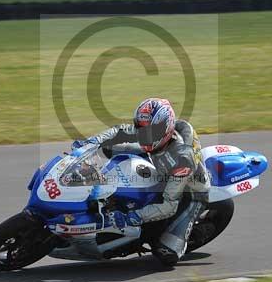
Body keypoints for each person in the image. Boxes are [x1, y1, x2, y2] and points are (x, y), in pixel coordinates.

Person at [72, 97, 210, 266]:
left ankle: (192, 233)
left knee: (166, 254)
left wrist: (133, 217)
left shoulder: (182, 160)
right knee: (109, 149)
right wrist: (92, 142)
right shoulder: (154, 132)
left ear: (164, 129)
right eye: (140, 128)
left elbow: (169, 205)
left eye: (148, 131)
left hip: (191, 191)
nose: (142, 134)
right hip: (158, 161)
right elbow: (119, 131)